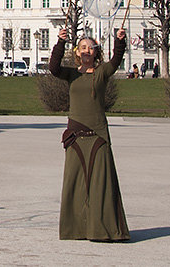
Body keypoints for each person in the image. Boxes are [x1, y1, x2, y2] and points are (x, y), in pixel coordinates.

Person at [49, 27, 130, 242]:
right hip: (75, 133)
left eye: (90, 47)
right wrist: (60, 42)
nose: (86, 50)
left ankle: (102, 230)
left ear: (96, 52)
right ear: (77, 52)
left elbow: (116, 60)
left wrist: (120, 41)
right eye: (82, 47)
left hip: (98, 133)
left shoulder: (102, 72)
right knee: (74, 183)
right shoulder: (72, 74)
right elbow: (54, 68)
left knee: (100, 183)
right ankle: (75, 229)